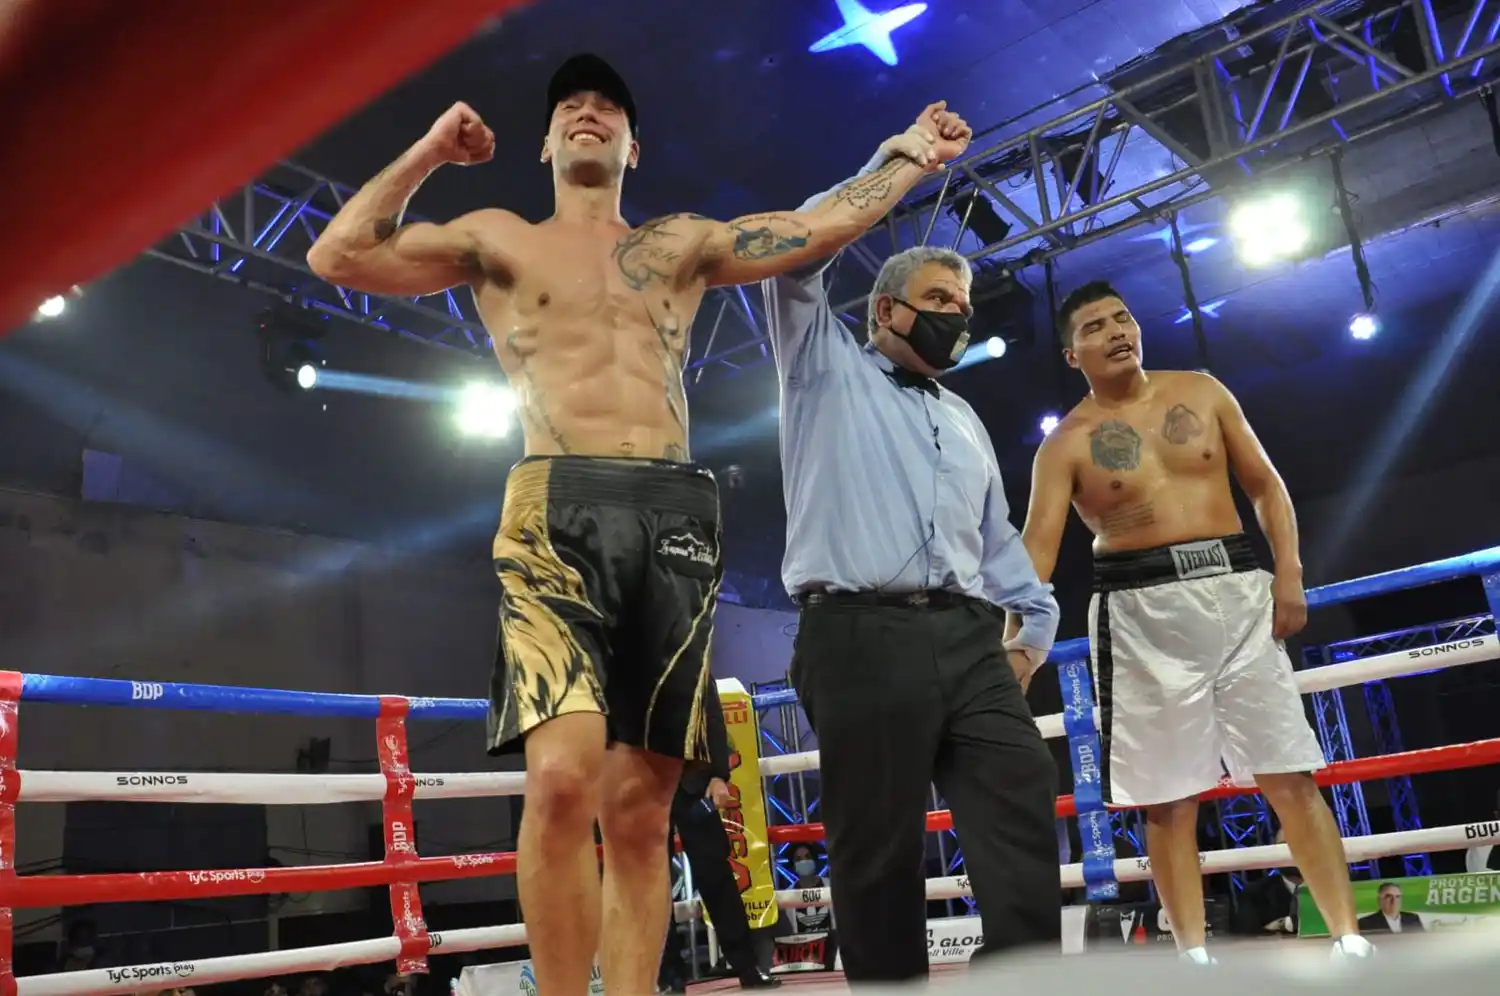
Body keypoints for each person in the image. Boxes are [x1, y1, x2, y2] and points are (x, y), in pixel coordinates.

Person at [306, 52, 968, 996]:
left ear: (632, 143)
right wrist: (427, 152)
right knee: (564, 778)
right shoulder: (496, 236)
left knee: (641, 807)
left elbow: (817, 228)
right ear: (543, 142)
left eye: (606, 107)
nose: (587, 112)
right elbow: (338, 256)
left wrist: (906, 155)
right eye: (569, 106)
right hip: (554, 506)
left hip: (672, 514)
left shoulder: (682, 243)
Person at [760, 107, 1062, 986]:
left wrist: (1032, 632)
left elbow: (997, 541)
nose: (954, 318)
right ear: (884, 308)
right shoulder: (822, 364)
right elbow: (799, 251)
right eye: (937, 301)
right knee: (877, 846)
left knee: (1018, 793)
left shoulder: (964, 418)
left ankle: (1023, 981)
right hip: (858, 634)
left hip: (970, 640)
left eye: (962, 307)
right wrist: (898, 160)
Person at [1014, 280, 1373, 963]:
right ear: (1072, 353)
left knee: (1290, 774)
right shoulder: (1064, 445)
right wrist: (1011, 643)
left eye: (1123, 316)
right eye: (1096, 325)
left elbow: (1265, 485)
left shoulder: (1203, 392)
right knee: (1168, 800)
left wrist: (1289, 572)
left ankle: (1349, 939)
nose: (1117, 330)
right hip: (1139, 613)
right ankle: (1192, 962)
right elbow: (1036, 552)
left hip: (1238, 590)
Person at [659, 693, 778, 992]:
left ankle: (747, 967)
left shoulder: (694, 651)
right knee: (653, 885)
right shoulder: (626, 654)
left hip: (693, 784)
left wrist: (718, 775)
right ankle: (670, 978)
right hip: (646, 783)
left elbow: (711, 716)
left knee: (718, 877)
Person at [1356, 882, 1425, 934]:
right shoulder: (1365, 923)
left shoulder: (1413, 919)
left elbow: (1422, 942)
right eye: (1388, 896)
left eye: (1397, 896)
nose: (1394, 901)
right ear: (1379, 900)